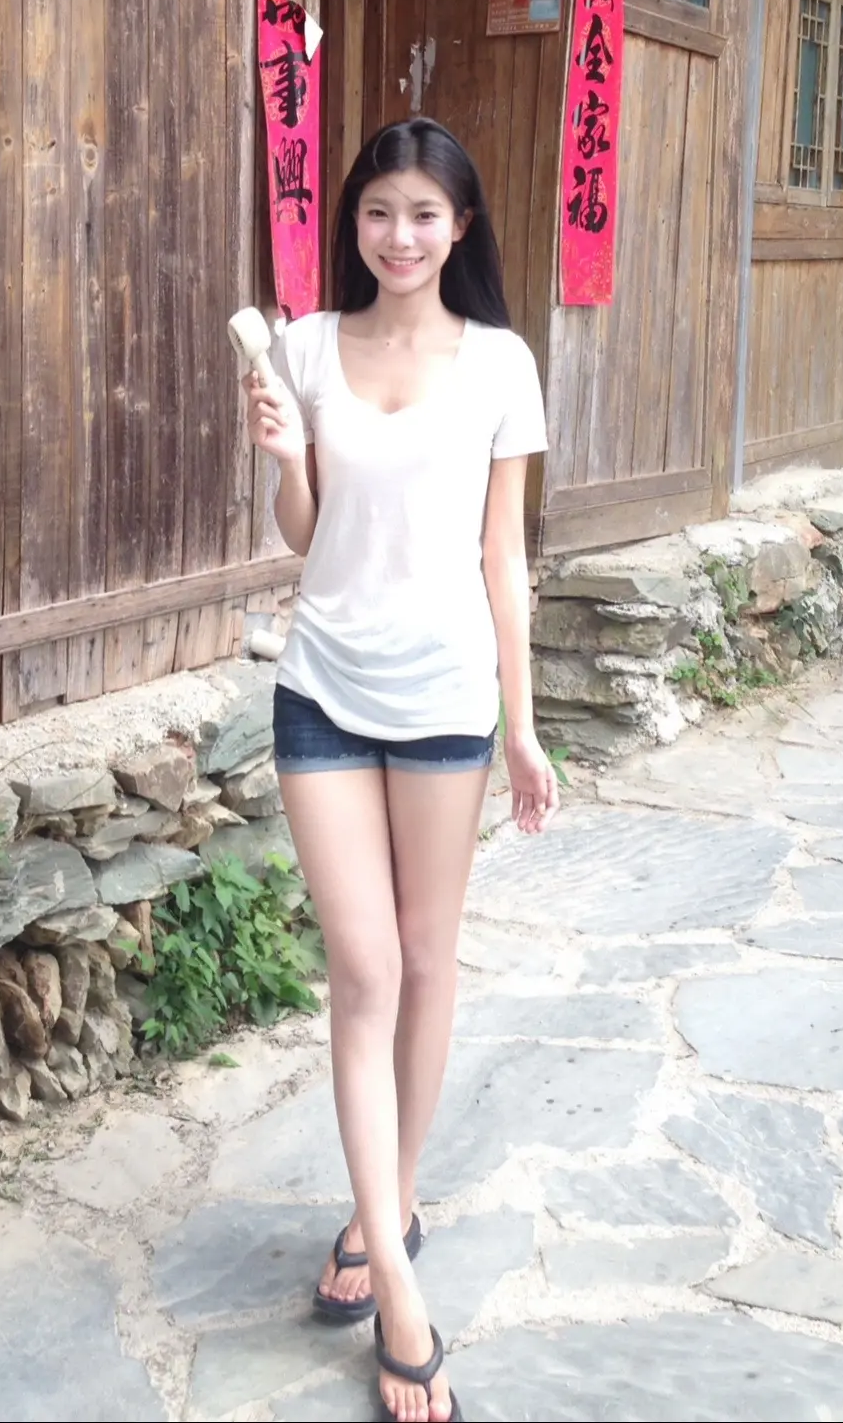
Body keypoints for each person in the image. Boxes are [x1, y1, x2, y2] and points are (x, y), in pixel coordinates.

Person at [243, 117, 559, 1423]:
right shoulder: (308, 345)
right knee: (364, 970)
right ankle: (402, 1291)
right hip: (323, 683)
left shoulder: (500, 362)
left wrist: (523, 725)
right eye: (378, 210)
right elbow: (307, 537)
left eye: (424, 213)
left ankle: (388, 1209)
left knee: (427, 960)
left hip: (445, 697)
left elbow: (504, 559)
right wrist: (287, 458)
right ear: (354, 222)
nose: (399, 234)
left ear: (460, 226)